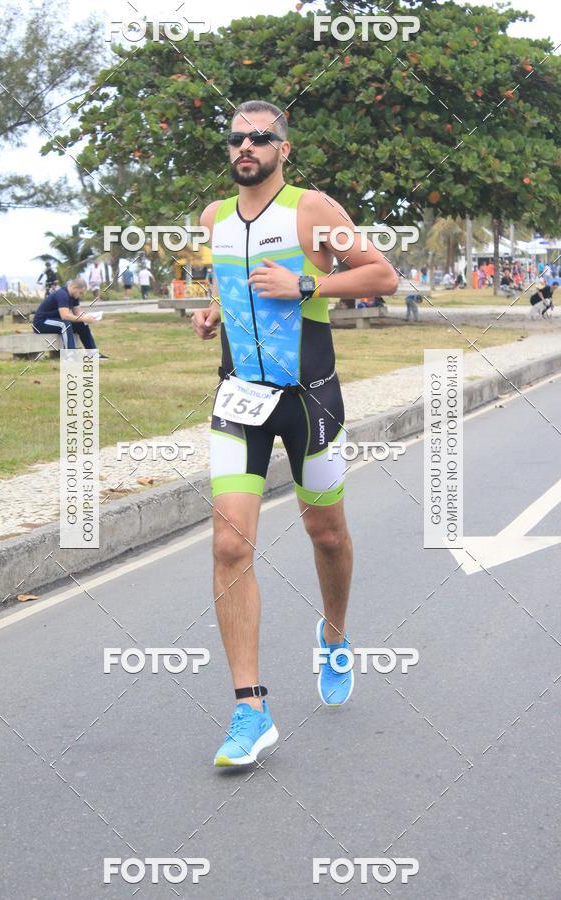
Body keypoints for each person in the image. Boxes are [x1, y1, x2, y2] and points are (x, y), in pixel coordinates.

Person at [192, 99, 398, 767]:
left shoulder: (313, 211)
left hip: (309, 399)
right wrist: (206, 314)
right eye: (236, 139)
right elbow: (228, 293)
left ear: (284, 146)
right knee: (229, 545)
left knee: (327, 533)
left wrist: (305, 280)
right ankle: (249, 709)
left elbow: (382, 277)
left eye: (260, 137)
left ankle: (334, 636)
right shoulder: (213, 220)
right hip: (239, 397)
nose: (245, 147)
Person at [32, 277, 108, 356]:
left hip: (55, 321)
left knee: (82, 323)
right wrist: (84, 318)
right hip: (41, 322)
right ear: (74, 287)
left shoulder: (74, 296)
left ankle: (93, 353)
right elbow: (64, 316)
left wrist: (89, 317)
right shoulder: (62, 294)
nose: (81, 295)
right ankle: (70, 355)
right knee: (65, 324)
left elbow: (78, 313)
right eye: (80, 293)